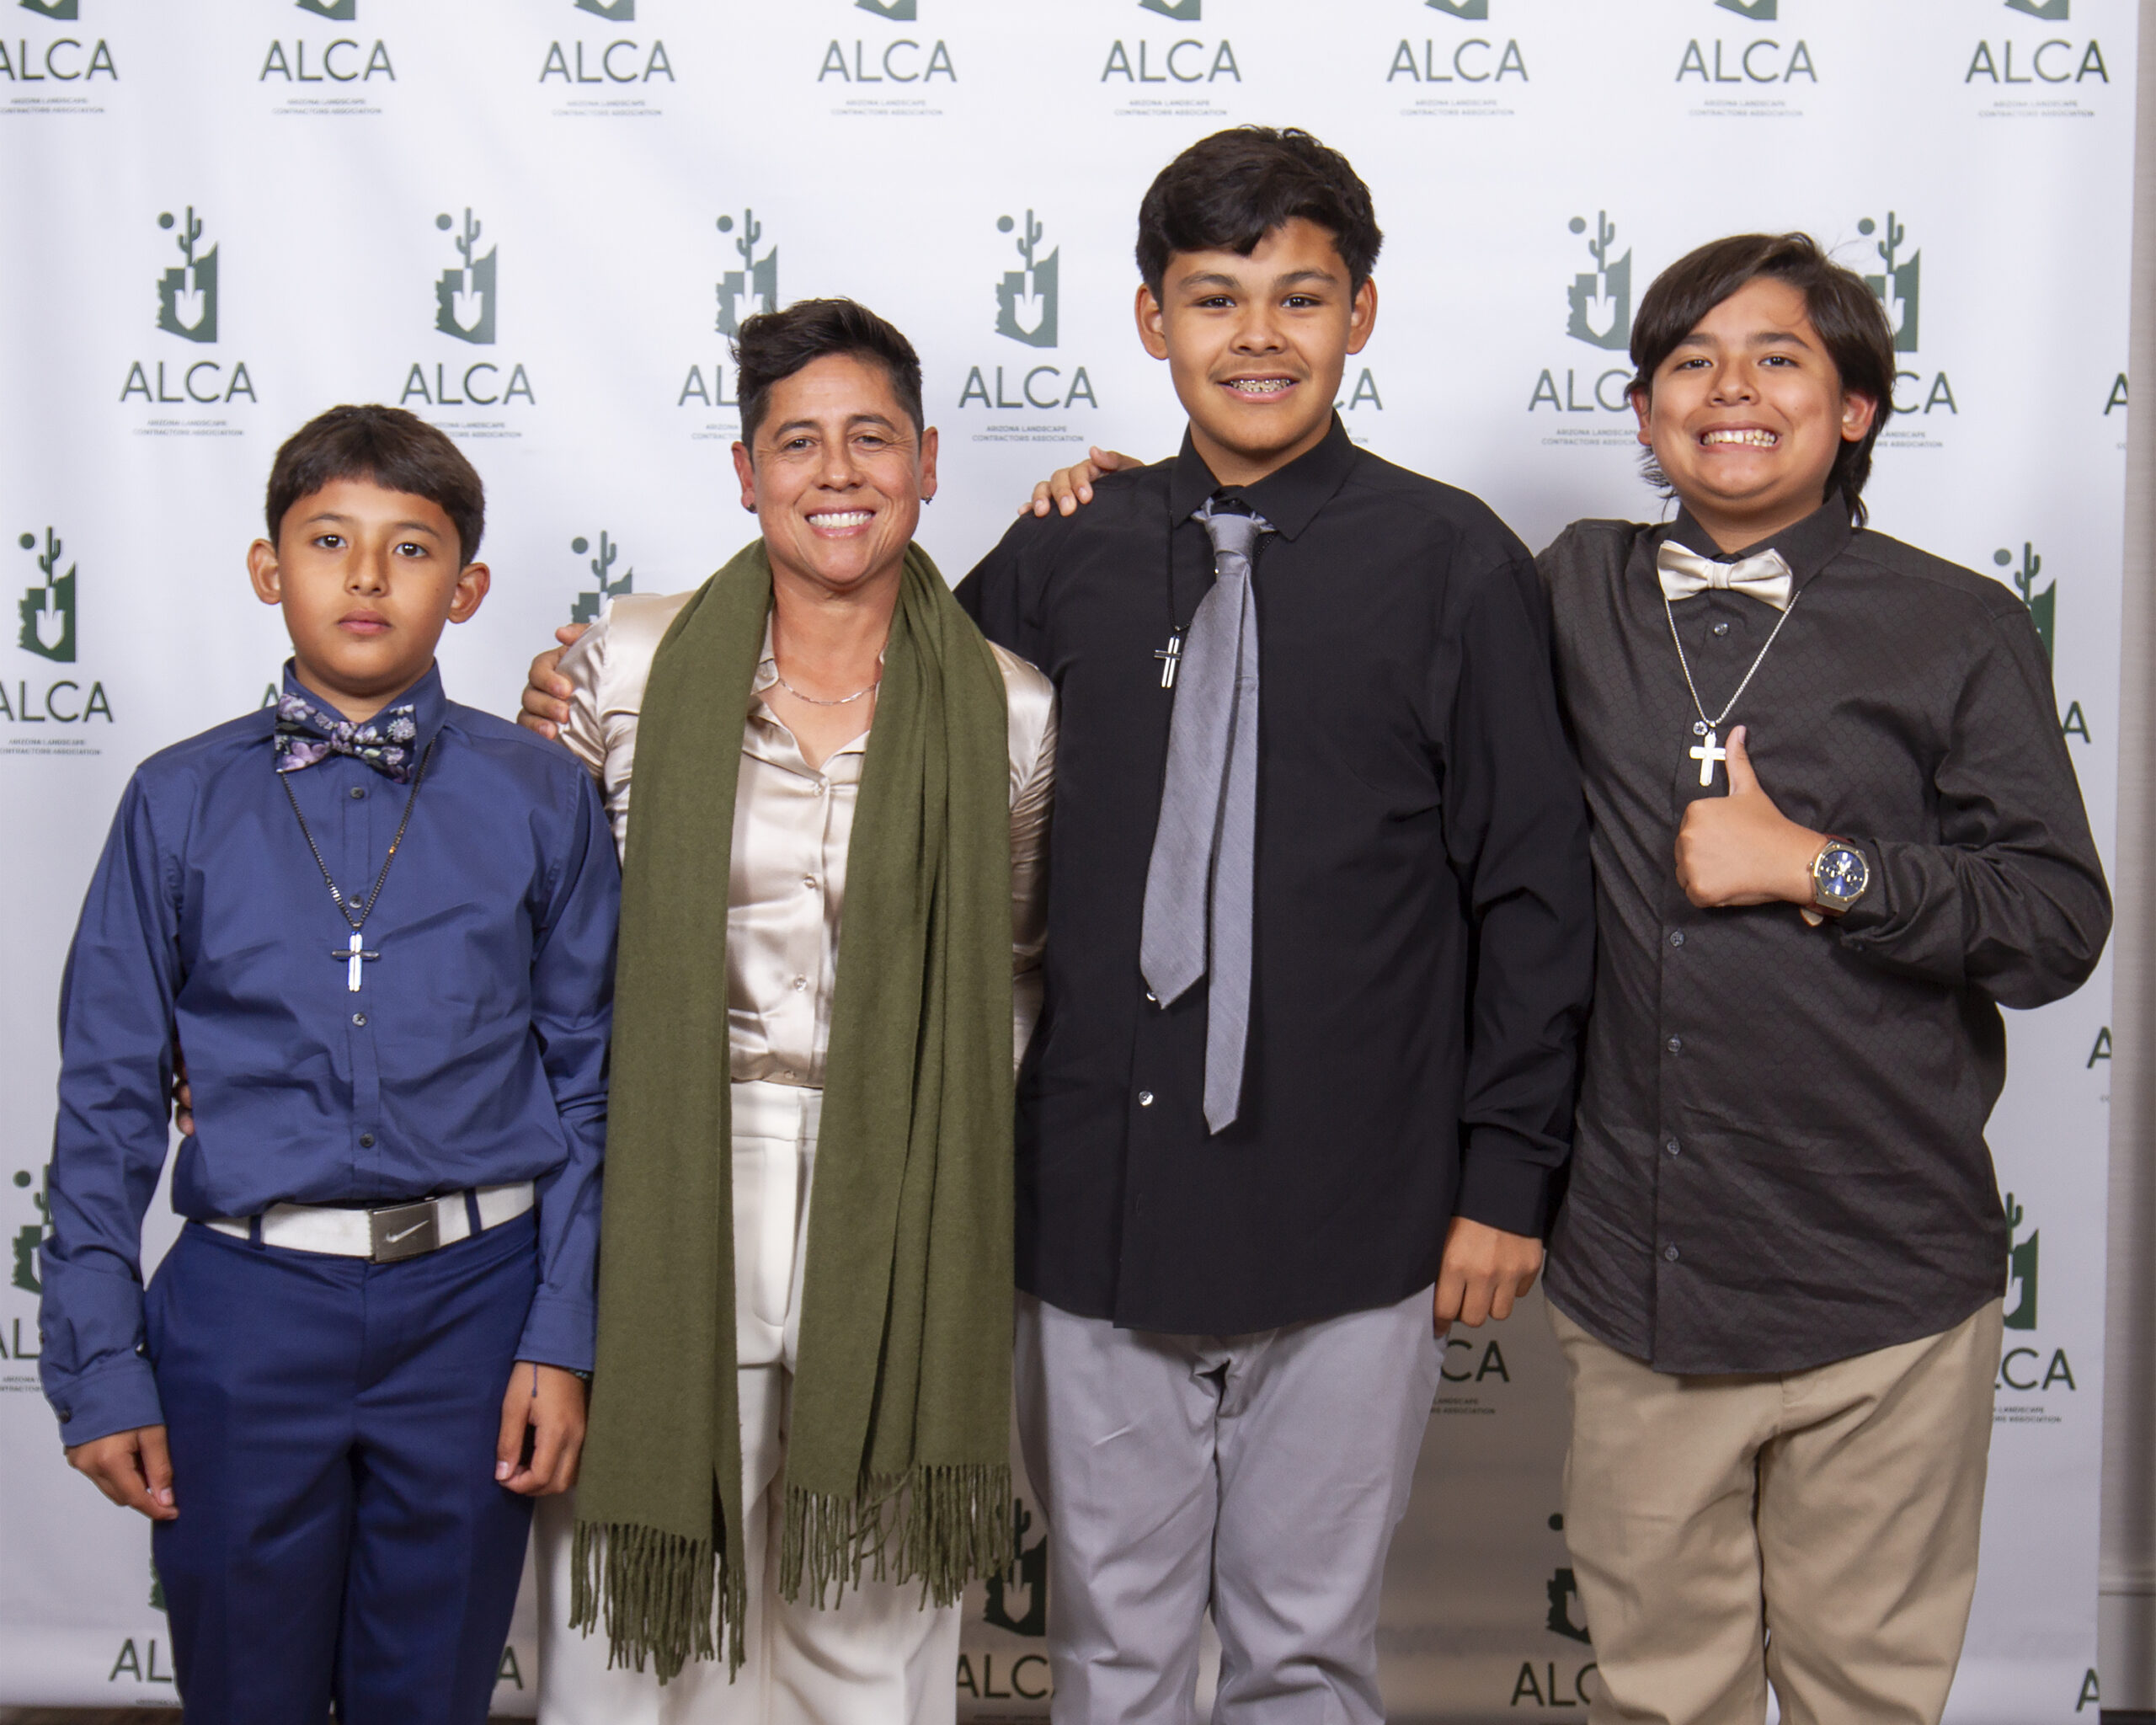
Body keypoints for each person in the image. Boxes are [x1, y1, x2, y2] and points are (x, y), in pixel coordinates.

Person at [1049, 230, 2113, 1722]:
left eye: (1779, 360)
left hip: (1886, 1278)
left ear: (1859, 407)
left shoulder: (1958, 624)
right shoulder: (1561, 587)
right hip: (1644, 1282)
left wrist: (1818, 866)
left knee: (1867, 1696)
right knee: (1659, 1696)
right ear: (1643, 410)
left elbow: (2057, 922)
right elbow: (1337, 605)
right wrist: (1142, 506)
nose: (1730, 390)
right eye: (1692, 362)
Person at [960, 126, 1592, 1723]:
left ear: (1359, 314)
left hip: (1363, 1209)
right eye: (1214, 298)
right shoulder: (1066, 548)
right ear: (1151, 318)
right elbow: (874, 733)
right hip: (1096, 1202)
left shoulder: (1453, 561)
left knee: (1306, 1652)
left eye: (1300, 298)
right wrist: (608, 687)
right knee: (1111, 1648)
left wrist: (1506, 1179)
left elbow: (1533, 891)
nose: (1258, 337)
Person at [38, 404, 618, 1725]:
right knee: (247, 1692)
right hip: (245, 1313)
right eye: (327, 541)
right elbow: (108, 1101)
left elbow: (589, 1084)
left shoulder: (542, 796)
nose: (366, 577)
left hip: (477, 1310)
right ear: (268, 567)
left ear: (466, 587)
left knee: (434, 1693)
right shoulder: (176, 801)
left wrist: (561, 1331)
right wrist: (99, 1362)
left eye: (411, 548)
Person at [527, 297, 1055, 1725]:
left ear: (928, 463)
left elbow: (1015, 967)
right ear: (746, 470)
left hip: (906, 1196)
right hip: (668, 1177)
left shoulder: (1008, 707)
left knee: (864, 1643)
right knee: (635, 1646)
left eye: (872, 438)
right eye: (798, 441)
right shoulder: (627, 664)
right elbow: (527, 934)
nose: (837, 473)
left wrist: (933, 1161)